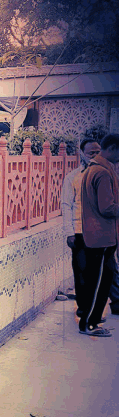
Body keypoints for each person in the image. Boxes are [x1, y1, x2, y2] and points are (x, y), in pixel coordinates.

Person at [62, 137, 119, 317]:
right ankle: (84, 310)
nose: (94, 155)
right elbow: (66, 205)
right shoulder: (74, 177)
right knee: (82, 272)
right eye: (90, 153)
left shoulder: (104, 172)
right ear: (82, 154)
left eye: (97, 151)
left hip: (99, 231)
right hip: (79, 231)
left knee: (106, 270)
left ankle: (109, 305)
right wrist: (69, 232)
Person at [79, 133, 119, 337]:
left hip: (97, 235)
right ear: (112, 148)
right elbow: (107, 208)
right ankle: (89, 324)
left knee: (98, 281)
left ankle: (91, 322)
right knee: (98, 284)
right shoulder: (102, 173)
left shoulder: (93, 169)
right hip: (101, 236)